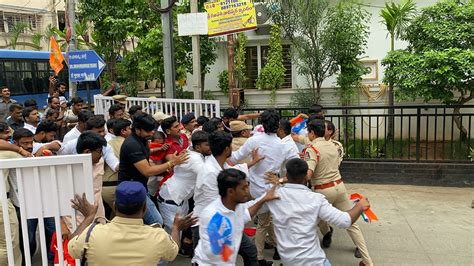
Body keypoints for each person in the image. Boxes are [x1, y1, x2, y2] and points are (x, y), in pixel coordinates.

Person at [266, 158, 371, 266]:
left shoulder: (273, 196)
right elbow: (345, 221)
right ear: (307, 176)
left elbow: (251, 207)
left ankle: (327, 233)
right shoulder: (316, 200)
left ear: (287, 175)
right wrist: (360, 206)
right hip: (314, 261)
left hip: (288, 261)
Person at [68, 181, 197, 265]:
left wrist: (89, 217)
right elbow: (172, 252)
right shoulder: (158, 236)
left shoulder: (92, 234)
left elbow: (71, 248)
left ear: (114, 205)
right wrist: (176, 228)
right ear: (145, 208)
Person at [229, 109, 299, 264]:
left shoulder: (254, 140)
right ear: (278, 125)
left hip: (253, 188)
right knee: (266, 222)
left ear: (262, 124)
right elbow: (298, 167)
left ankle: (272, 249)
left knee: (266, 220)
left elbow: (235, 157)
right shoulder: (283, 145)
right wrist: (282, 180)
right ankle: (260, 257)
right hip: (271, 188)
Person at [304, 120, 373, 266]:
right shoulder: (333, 145)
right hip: (339, 187)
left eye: (308, 132)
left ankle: (305, 253)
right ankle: (368, 262)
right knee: (352, 224)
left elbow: (308, 175)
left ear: (312, 133)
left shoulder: (312, 148)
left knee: (308, 225)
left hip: (323, 190)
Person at [192, 169, 279, 266]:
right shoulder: (213, 215)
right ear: (230, 192)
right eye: (243, 188)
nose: (247, 191)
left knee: (250, 251)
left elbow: (247, 212)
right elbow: (217, 255)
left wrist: (264, 199)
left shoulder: (235, 206)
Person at [118, 113, 188, 225]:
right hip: (131, 190)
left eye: (152, 130)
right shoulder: (132, 144)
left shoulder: (141, 139)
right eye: (148, 131)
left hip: (139, 187)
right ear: (138, 129)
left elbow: (145, 154)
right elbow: (147, 171)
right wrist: (172, 162)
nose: (152, 133)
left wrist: (159, 151)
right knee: (156, 221)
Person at [158, 131, 211, 232]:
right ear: (198, 147)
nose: (211, 147)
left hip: (177, 198)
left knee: (177, 232)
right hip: (172, 200)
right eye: (207, 145)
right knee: (173, 234)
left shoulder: (191, 150)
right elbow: (208, 176)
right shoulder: (195, 159)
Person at [102, 119, 132, 218]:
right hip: (115, 186)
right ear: (123, 131)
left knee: (115, 215)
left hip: (105, 186)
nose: (131, 131)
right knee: (123, 217)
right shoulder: (128, 144)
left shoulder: (108, 143)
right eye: (129, 129)